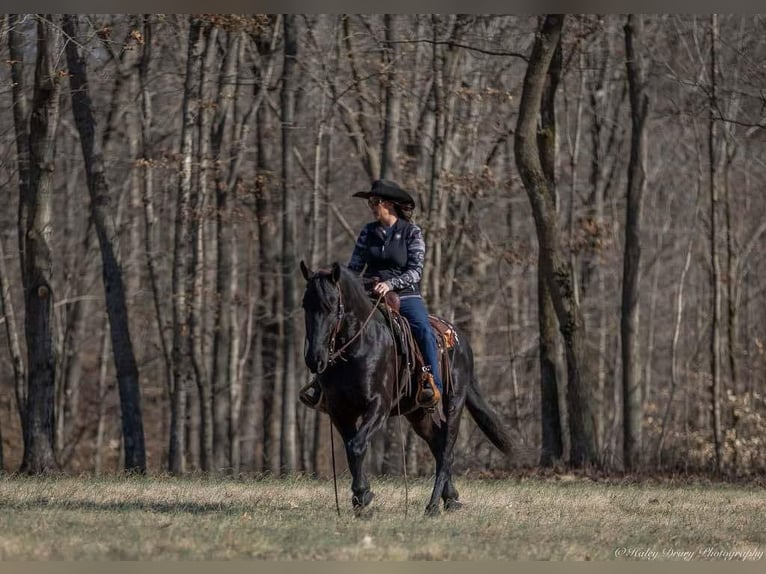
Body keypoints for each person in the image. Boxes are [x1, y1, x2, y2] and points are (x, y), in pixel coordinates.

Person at [300, 179, 443, 411]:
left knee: (423, 329)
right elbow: (354, 267)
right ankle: (322, 384)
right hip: (369, 293)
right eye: (371, 203)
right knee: (338, 324)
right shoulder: (368, 232)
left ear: (388, 204)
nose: (372, 207)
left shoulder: (411, 233)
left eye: (375, 202)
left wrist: (391, 283)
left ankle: (431, 382)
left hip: (405, 295)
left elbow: (416, 271)